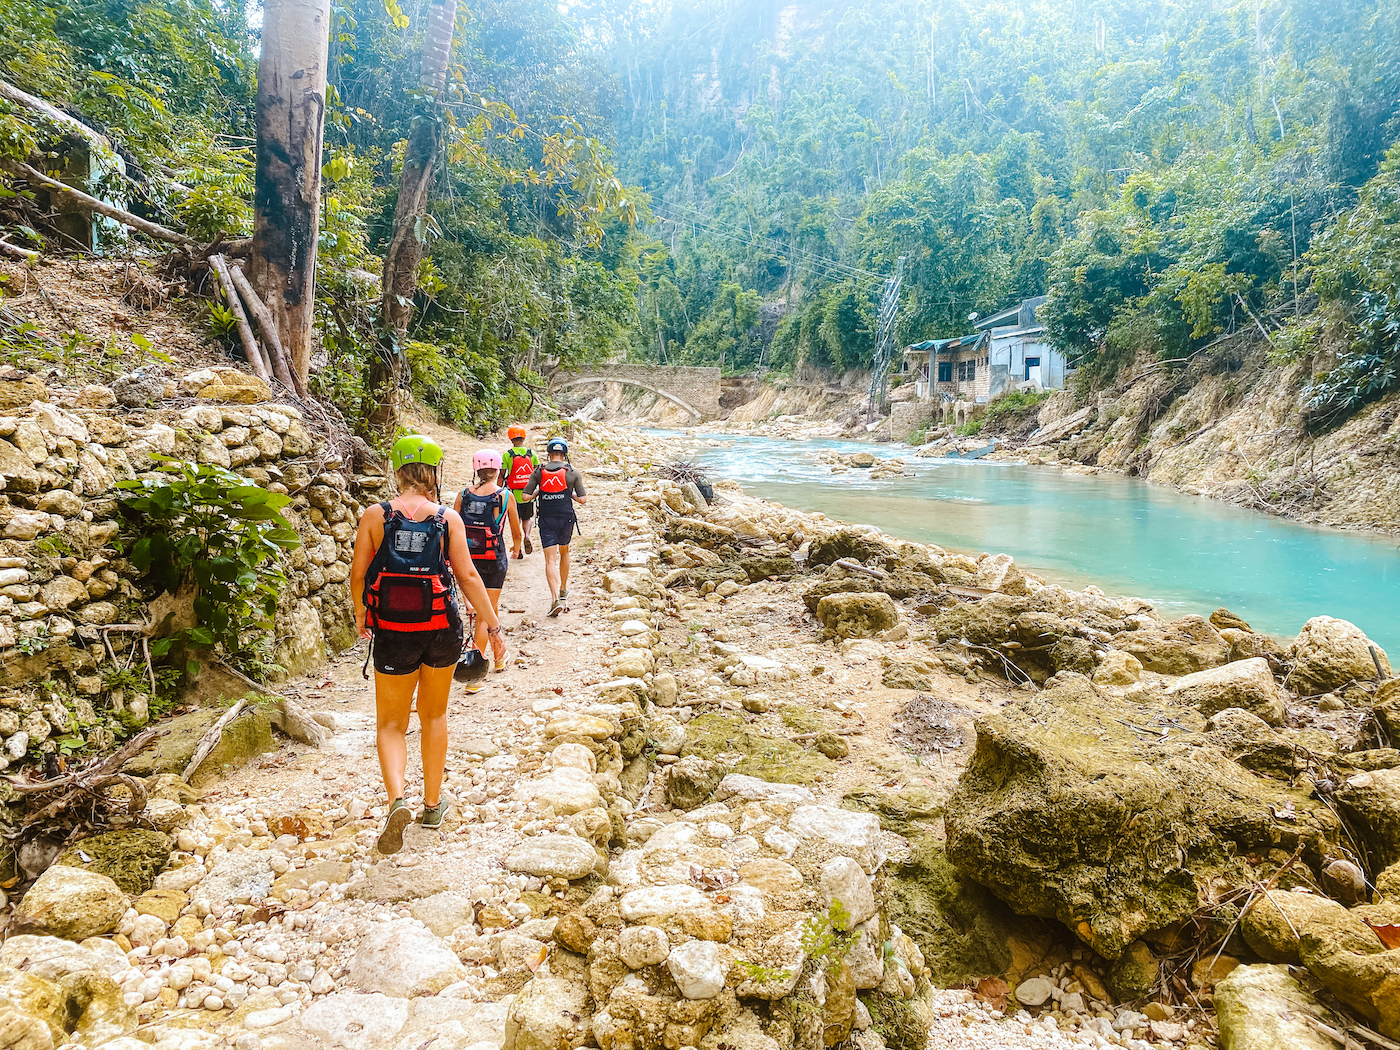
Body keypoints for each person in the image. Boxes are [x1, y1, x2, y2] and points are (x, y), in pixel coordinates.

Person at [350, 434, 507, 855]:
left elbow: (359, 576)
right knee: (434, 716)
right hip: (441, 631)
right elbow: (470, 578)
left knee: (390, 724)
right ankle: (432, 806)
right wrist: (493, 629)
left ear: (397, 470)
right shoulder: (445, 519)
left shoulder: (374, 516)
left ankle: (397, 799)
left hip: (393, 633)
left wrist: (362, 615)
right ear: (433, 473)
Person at [453, 449, 521, 677]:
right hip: (494, 559)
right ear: (498, 469)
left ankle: (499, 657)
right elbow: (516, 530)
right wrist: (517, 548)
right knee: (486, 612)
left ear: (476, 468)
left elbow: (452, 529)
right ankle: (475, 672)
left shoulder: (463, 495)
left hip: (467, 560)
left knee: (486, 612)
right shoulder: (505, 495)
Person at [521, 437, 587, 617]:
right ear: (564, 454)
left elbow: (525, 497)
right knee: (564, 552)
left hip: (546, 519)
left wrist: (538, 491)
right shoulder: (572, 473)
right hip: (566, 518)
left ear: (549, 454)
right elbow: (583, 499)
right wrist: (569, 494)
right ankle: (564, 589)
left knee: (550, 560)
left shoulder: (539, 472)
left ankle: (554, 598)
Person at [502, 425, 539, 559]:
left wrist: (498, 490)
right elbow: (537, 472)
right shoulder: (531, 453)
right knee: (527, 518)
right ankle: (527, 536)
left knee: (515, 520)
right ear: (524, 438)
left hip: (513, 493)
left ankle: (517, 549)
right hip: (529, 493)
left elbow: (502, 474)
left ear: (511, 439)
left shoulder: (507, 455)